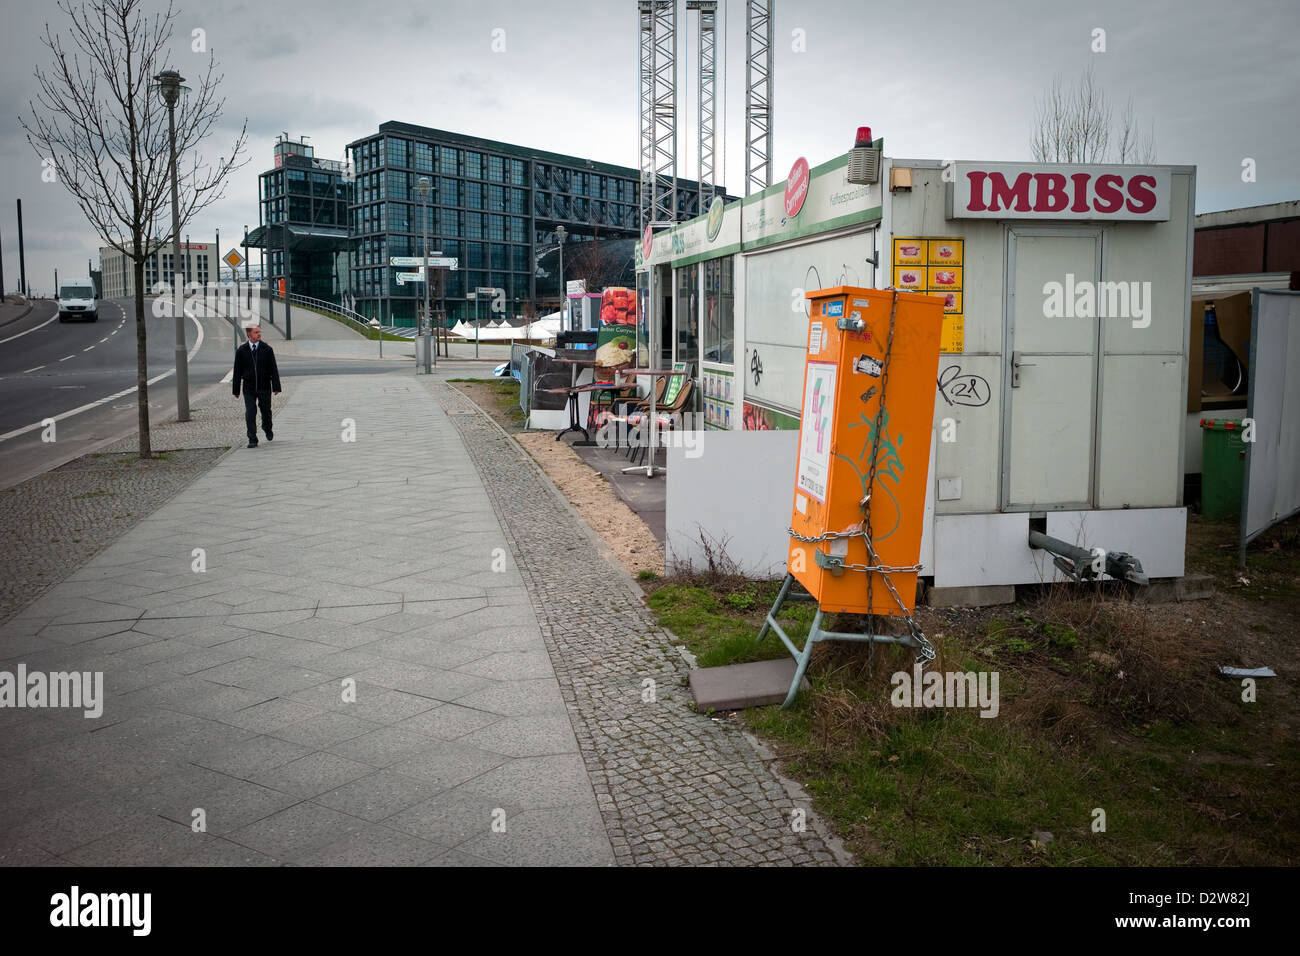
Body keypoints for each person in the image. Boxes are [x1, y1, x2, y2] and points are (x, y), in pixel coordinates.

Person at [232, 323, 281, 447]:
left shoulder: (267, 349)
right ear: (249, 334)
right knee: (250, 411)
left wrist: (276, 387)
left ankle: (267, 427)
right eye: (256, 332)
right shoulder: (241, 351)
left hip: (264, 386)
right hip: (249, 387)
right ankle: (252, 438)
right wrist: (236, 390)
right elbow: (237, 371)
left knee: (266, 411)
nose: (259, 334)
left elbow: (273, 369)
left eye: (259, 332)